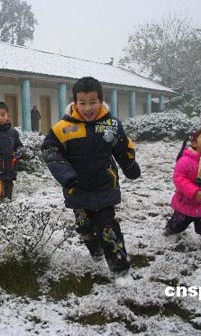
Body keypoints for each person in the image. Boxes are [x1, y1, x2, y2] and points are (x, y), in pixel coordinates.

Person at [41, 76, 141, 275]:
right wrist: (66, 175)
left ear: (101, 101)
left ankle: (120, 270)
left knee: (108, 226)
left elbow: (122, 148)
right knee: (85, 227)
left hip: (105, 186)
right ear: (75, 102)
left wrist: (130, 167)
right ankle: (96, 252)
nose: (88, 108)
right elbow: (50, 151)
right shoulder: (63, 128)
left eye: (93, 102)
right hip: (77, 188)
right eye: (82, 103)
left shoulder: (112, 124)